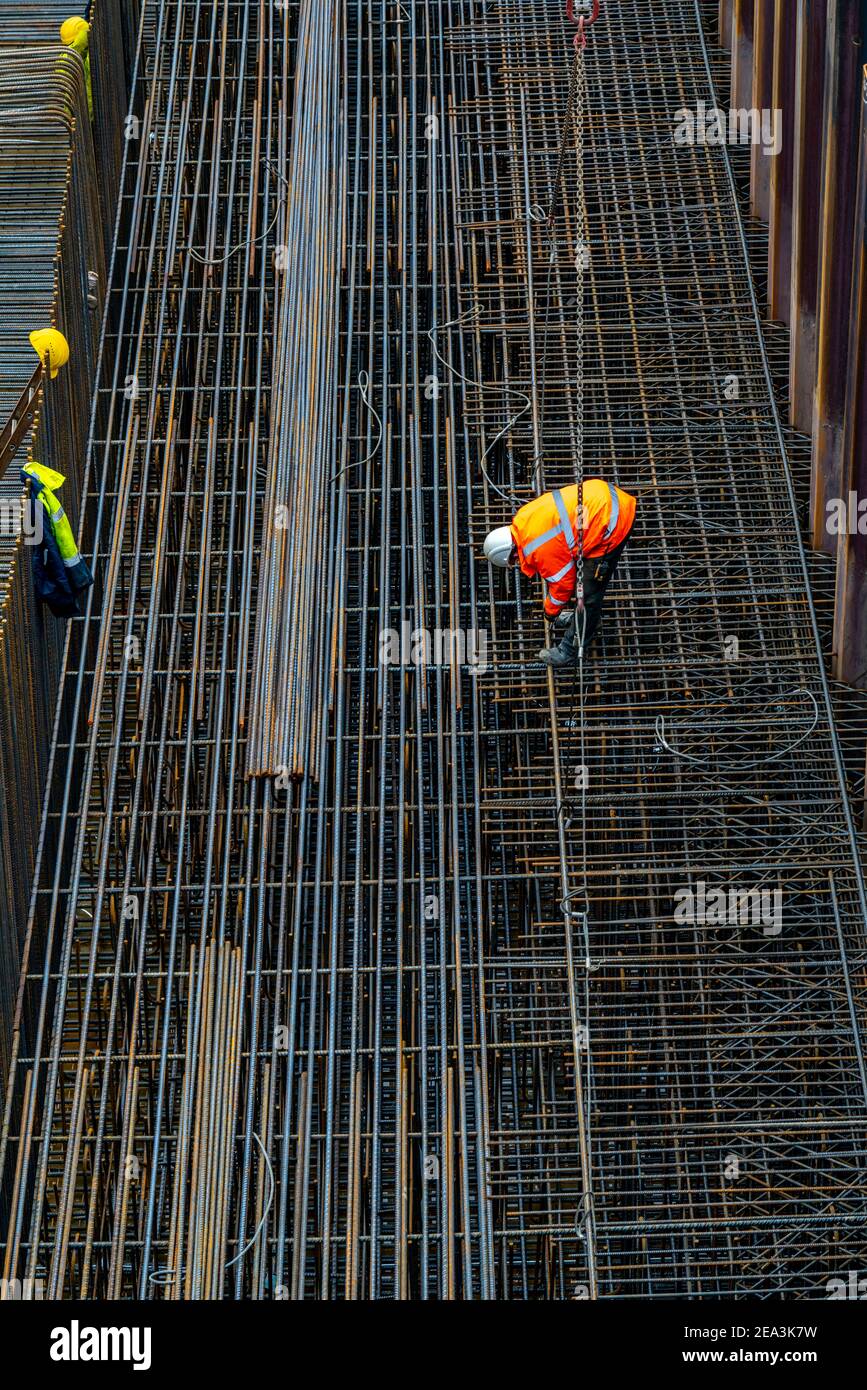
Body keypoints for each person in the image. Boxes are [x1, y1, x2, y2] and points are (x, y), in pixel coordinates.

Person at [483, 478, 636, 668]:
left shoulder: (539, 549)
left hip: (613, 520)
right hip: (601, 495)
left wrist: (550, 612)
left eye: (513, 561)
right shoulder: (523, 520)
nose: (517, 564)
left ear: (511, 552)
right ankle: (583, 622)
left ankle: (570, 651)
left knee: (587, 595)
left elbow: (563, 584)